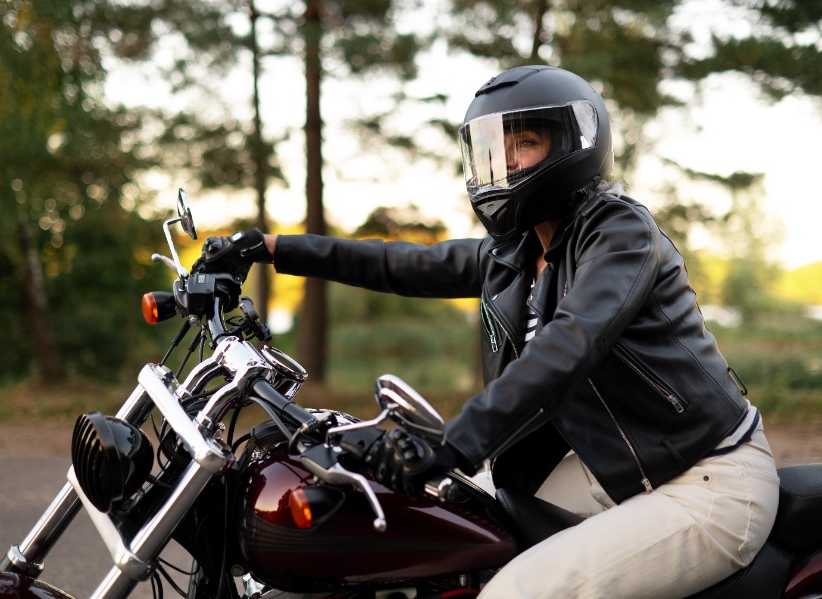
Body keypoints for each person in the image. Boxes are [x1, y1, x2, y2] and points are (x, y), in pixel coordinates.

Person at [195, 65, 780, 598]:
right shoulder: (516, 252)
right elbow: (399, 264)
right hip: (614, 467)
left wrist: (451, 443)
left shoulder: (620, 234)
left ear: (575, 142)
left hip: (705, 481)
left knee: (514, 591)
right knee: (448, 534)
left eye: (525, 142)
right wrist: (268, 248)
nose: (506, 162)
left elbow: (568, 345)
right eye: (495, 148)